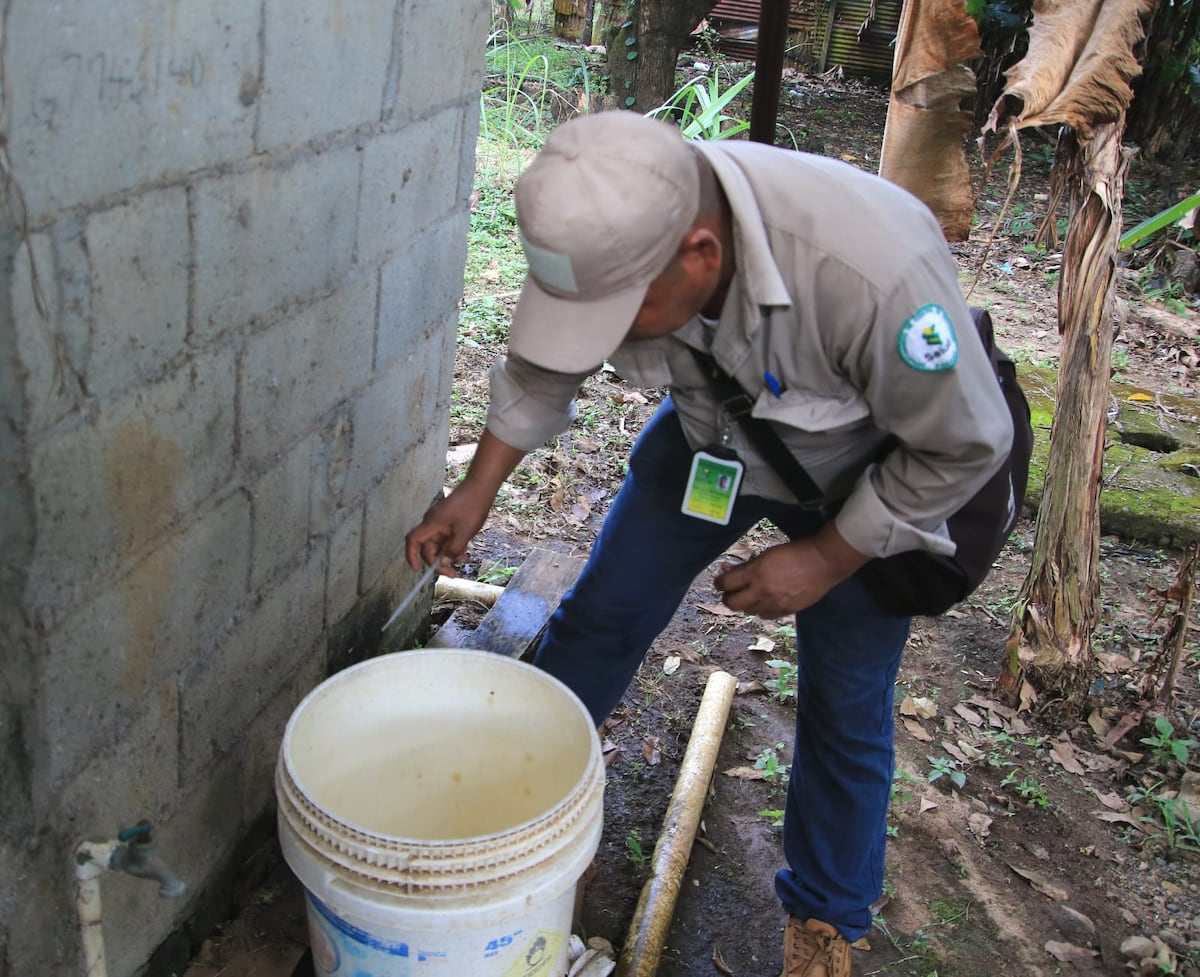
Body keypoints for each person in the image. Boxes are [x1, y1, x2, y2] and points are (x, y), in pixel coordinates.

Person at [406, 110, 1012, 977]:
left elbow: (964, 445)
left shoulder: (874, 274)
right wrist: (477, 487)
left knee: (844, 702)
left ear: (701, 253)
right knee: (600, 618)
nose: (606, 336)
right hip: (711, 441)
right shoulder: (617, 218)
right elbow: (547, 363)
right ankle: (511, 816)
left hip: (865, 479)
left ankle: (825, 923)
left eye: (625, 313)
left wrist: (826, 557)